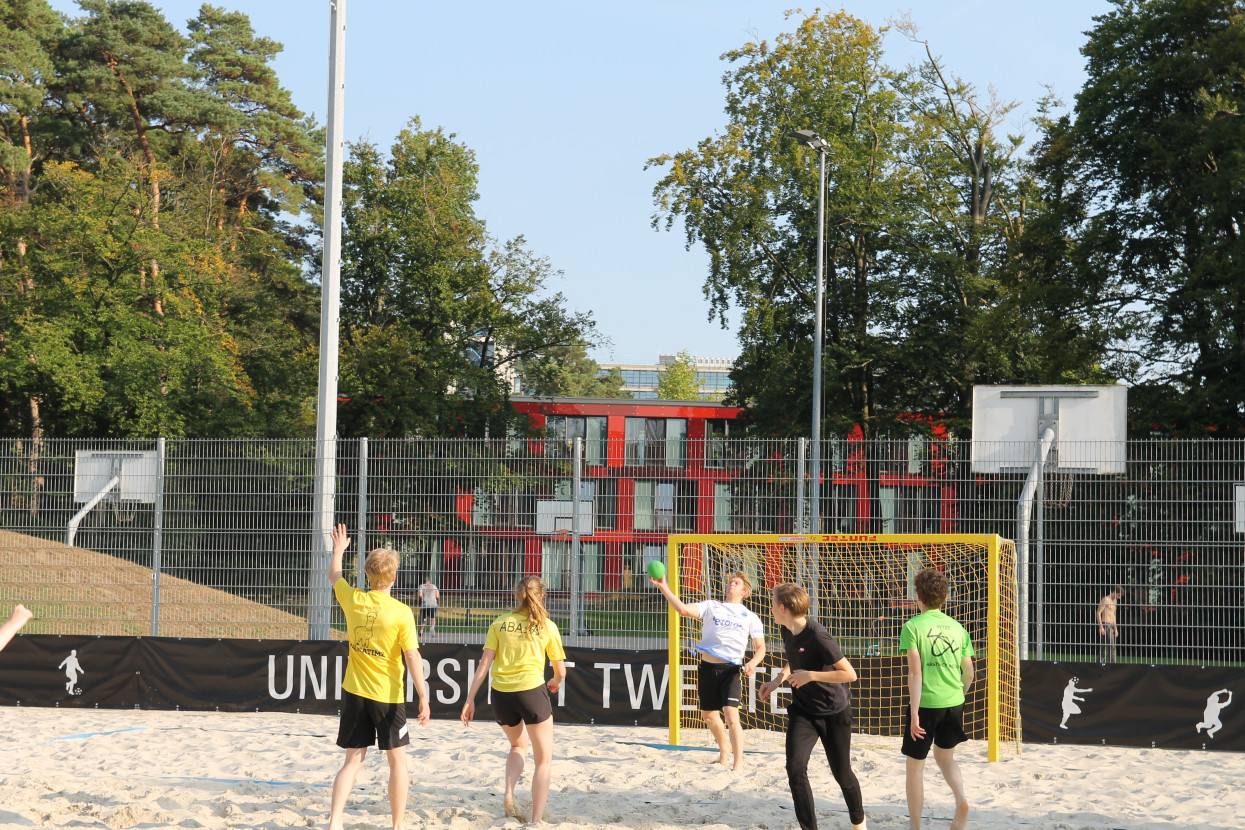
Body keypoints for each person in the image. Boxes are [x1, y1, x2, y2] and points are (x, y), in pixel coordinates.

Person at [327, 524, 430, 830]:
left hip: (354, 692)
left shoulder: (355, 599)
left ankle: (335, 820)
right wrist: (423, 696)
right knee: (397, 762)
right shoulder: (400, 612)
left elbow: (335, 576)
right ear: (394, 578)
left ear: (368, 576)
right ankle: (397, 825)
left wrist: (339, 550)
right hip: (387, 696)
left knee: (352, 759)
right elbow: (412, 656)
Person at [759, 583, 867, 830]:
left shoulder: (818, 636)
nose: (771, 608)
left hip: (833, 711)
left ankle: (859, 823)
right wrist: (777, 681)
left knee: (843, 775)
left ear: (783, 608)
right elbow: (794, 660)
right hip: (804, 711)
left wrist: (811, 675)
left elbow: (850, 675)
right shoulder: (787, 629)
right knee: (795, 768)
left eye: (773, 604)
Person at [461, 576, 566, 824]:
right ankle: (536, 820)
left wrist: (470, 699)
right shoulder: (546, 626)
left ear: (516, 595)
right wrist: (556, 681)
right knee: (544, 761)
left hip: (501, 695)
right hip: (531, 692)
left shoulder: (499, 623)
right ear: (541, 596)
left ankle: (509, 793)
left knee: (518, 746)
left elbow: (484, 664)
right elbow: (560, 671)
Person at [651, 569, 765, 771]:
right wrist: (664, 587)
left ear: (744, 592)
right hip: (707, 668)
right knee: (709, 716)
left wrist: (752, 663)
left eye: (736, 583)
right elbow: (684, 610)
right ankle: (724, 749)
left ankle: (738, 765)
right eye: (731, 581)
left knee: (731, 716)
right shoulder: (712, 606)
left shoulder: (750, 617)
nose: (731, 584)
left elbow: (760, 648)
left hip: (732, 670)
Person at [902, 568, 974, 830]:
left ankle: (916, 827)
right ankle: (961, 799)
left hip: (926, 704)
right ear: (943, 598)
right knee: (946, 758)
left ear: (918, 597)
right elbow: (970, 672)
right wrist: (959, 697)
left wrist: (915, 714)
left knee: (915, 768)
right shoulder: (958, 628)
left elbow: (915, 673)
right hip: (953, 701)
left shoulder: (912, 627)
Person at [1096, 585, 1123, 663]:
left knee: (1105, 649)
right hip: (1105, 625)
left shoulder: (1114, 601)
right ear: (1114, 592)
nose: (1119, 597)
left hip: (1111, 626)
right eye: (1118, 595)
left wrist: (1115, 628)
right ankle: (1113, 666)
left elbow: (1113, 615)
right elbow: (1098, 612)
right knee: (1112, 647)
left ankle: (1098, 665)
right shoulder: (1105, 600)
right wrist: (1101, 627)